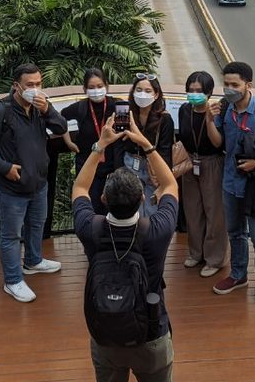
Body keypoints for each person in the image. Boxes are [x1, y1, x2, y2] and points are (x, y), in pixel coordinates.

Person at [72, 118, 178, 382]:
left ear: (104, 199)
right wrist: (145, 144)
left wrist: (101, 145)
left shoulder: (91, 228)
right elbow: (170, 185)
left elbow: (80, 187)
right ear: (142, 198)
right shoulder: (156, 231)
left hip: (105, 335)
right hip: (151, 335)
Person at [0, 63, 68, 303]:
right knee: (11, 235)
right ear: (16, 86)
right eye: (30, 85)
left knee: (37, 224)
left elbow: (61, 127)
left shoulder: (40, 106)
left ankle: (33, 261)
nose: (35, 89)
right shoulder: (1, 112)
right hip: (11, 188)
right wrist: (5, 168)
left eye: (38, 84)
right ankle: (13, 280)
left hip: (38, 183)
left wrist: (47, 111)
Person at [205, 61, 255, 306]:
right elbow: (218, 142)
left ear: (248, 85)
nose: (229, 89)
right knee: (235, 232)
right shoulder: (225, 108)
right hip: (231, 181)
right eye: (226, 84)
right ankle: (238, 275)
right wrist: (209, 121)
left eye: (234, 84)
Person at [178, 71, 227, 277]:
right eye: (190, 90)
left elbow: (218, 143)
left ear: (208, 92)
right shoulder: (184, 109)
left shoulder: (217, 112)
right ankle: (195, 253)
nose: (194, 94)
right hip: (189, 163)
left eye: (199, 91)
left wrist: (208, 121)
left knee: (214, 212)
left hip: (211, 163)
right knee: (192, 209)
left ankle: (215, 259)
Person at [111, 74, 173, 218]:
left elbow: (165, 150)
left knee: (153, 209)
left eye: (147, 90)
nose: (142, 94)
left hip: (152, 168)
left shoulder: (164, 119)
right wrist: (118, 172)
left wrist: (162, 178)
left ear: (156, 94)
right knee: (132, 210)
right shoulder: (125, 114)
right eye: (138, 90)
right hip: (129, 164)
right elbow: (119, 145)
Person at [61, 68, 121, 216]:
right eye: (91, 87)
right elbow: (60, 119)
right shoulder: (80, 107)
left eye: (100, 86)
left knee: (114, 209)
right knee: (92, 209)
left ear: (106, 86)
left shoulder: (117, 105)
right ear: (85, 89)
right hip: (88, 166)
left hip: (112, 167)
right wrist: (68, 142)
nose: (96, 91)